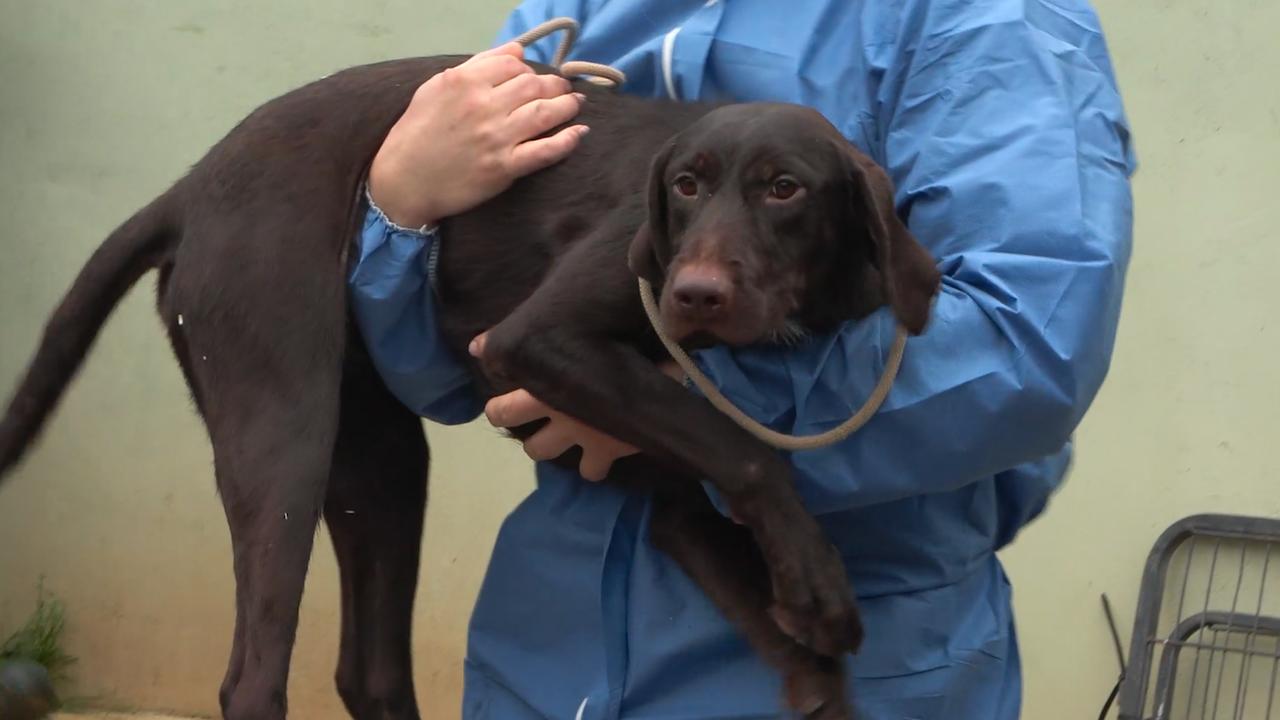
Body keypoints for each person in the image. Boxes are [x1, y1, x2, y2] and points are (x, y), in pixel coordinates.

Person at [347, 0, 1136, 717]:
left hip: (835, 654)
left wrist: (678, 403)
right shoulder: (578, 11)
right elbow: (453, 372)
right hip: (549, 657)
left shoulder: (982, 20)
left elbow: (1031, 345)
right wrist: (400, 210)